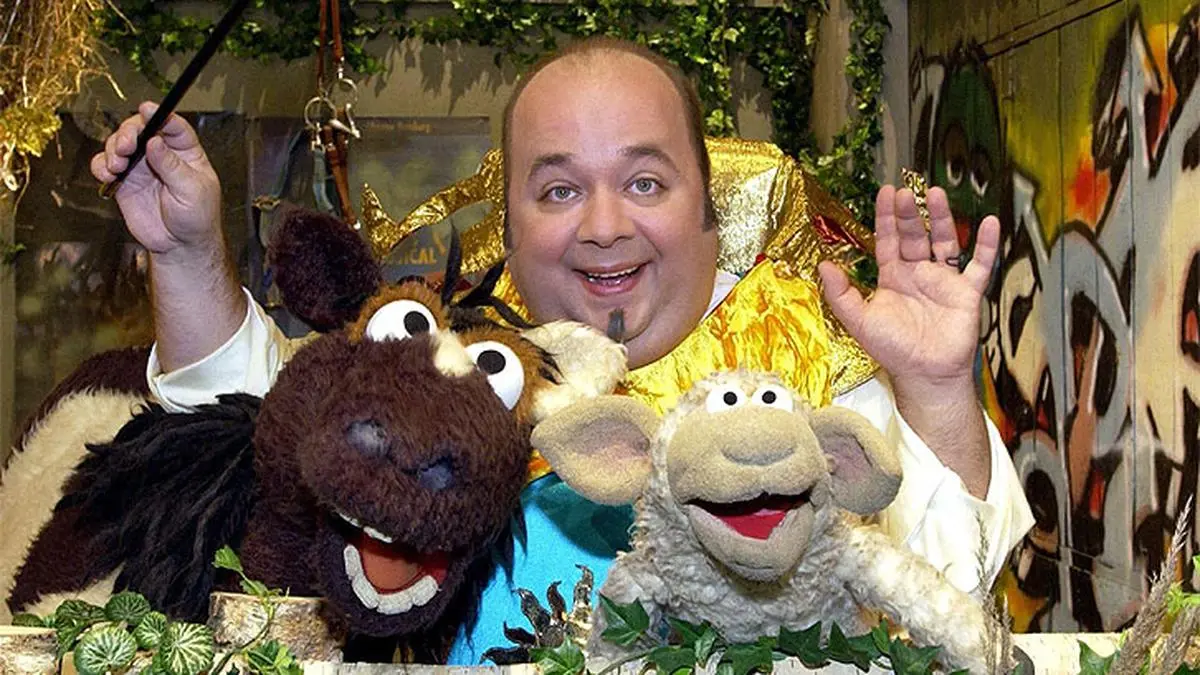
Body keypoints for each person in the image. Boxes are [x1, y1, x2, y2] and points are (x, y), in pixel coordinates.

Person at [92, 37, 1033, 662]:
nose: (604, 225)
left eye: (646, 181)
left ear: (709, 216)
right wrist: (185, 255)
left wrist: (935, 388)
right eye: (558, 190)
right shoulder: (461, 363)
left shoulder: (800, 367)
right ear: (507, 230)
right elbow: (261, 447)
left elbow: (943, 603)